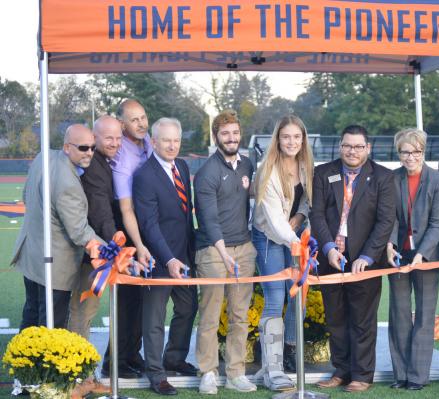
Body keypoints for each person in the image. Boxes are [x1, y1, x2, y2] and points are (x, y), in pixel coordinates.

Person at [310, 125, 395, 393]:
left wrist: (368, 256)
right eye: (347, 145)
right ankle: (341, 370)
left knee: (362, 319)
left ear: (368, 148)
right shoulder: (323, 173)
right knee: (335, 318)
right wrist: (327, 248)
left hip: (365, 261)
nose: (352, 151)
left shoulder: (383, 177)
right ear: (340, 146)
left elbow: (385, 222)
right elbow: (318, 215)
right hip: (331, 258)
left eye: (358, 146)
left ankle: (361, 375)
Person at [12, 124, 104, 329]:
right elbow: (79, 231)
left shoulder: (42, 157)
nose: (89, 153)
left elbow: (25, 195)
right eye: (83, 148)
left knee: (32, 313)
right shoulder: (67, 183)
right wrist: (111, 251)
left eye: (92, 147)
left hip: (32, 255)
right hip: (54, 265)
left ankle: (23, 360)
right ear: (66, 147)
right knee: (51, 325)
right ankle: (43, 362)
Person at [133, 117, 198, 396]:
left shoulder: (182, 166)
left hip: (184, 256)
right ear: (153, 142)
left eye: (176, 140)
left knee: (187, 308)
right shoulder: (144, 176)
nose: (172, 145)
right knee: (155, 319)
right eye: (166, 140)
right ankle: (156, 374)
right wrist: (169, 259)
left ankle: (175, 358)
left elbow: (185, 215)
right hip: (159, 259)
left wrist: (186, 256)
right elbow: (149, 224)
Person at [195, 110, 257, 394]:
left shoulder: (248, 165)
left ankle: (235, 372)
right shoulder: (207, 172)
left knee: (239, 315)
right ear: (216, 137)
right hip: (213, 250)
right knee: (209, 315)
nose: (231, 138)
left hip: (244, 248)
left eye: (234, 133)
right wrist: (223, 253)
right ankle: (207, 371)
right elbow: (208, 220)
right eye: (225, 133)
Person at [252, 115, 313, 390]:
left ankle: (283, 353)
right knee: (276, 297)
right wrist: (296, 241)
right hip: (270, 237)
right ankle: (273, 370)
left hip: (294, 235)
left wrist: (299, 218)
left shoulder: (307, 165)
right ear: (278, 138)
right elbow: (276, 221)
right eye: (286, 136)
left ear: (303, 139)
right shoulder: (267, 168)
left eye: (296, 137)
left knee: (298, 293)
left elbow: (308, 201)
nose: (292, 142)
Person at [386, 128, 439, 391]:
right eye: (405, 151)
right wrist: (389, 245)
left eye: (416, 151)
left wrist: (422, 253)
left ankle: (417, 376)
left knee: (424, 315)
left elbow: (438, 224)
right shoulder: (392, 179)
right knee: (399, 314)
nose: (410, 157)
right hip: (397, 256)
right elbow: (388, 217)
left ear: (423, 151)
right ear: (398, 153)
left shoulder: (438, 181)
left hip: (428, 256)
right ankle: (401, 374)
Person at [101, 98, 153, 379]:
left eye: (143, 117)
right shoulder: (123, 156)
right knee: (126, 298)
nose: (141, 123)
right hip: (128, 231)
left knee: (140, 299)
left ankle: (132, 354)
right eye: (134, 120)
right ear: (122, 124)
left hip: (144, 227)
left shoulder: (145, 144)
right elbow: (126, 207)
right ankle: (114, 361)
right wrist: (138, 246)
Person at [68, 115, 122, 339]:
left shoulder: (101, 162)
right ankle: (78, 371)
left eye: (118, 138)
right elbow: (101, 213)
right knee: (83, 310)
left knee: (83, 310)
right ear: (94, 137)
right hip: (89, 252)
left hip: (91, 249)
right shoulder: (94, 167)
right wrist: (116, 248)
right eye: (108, 138)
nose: (115, 143)